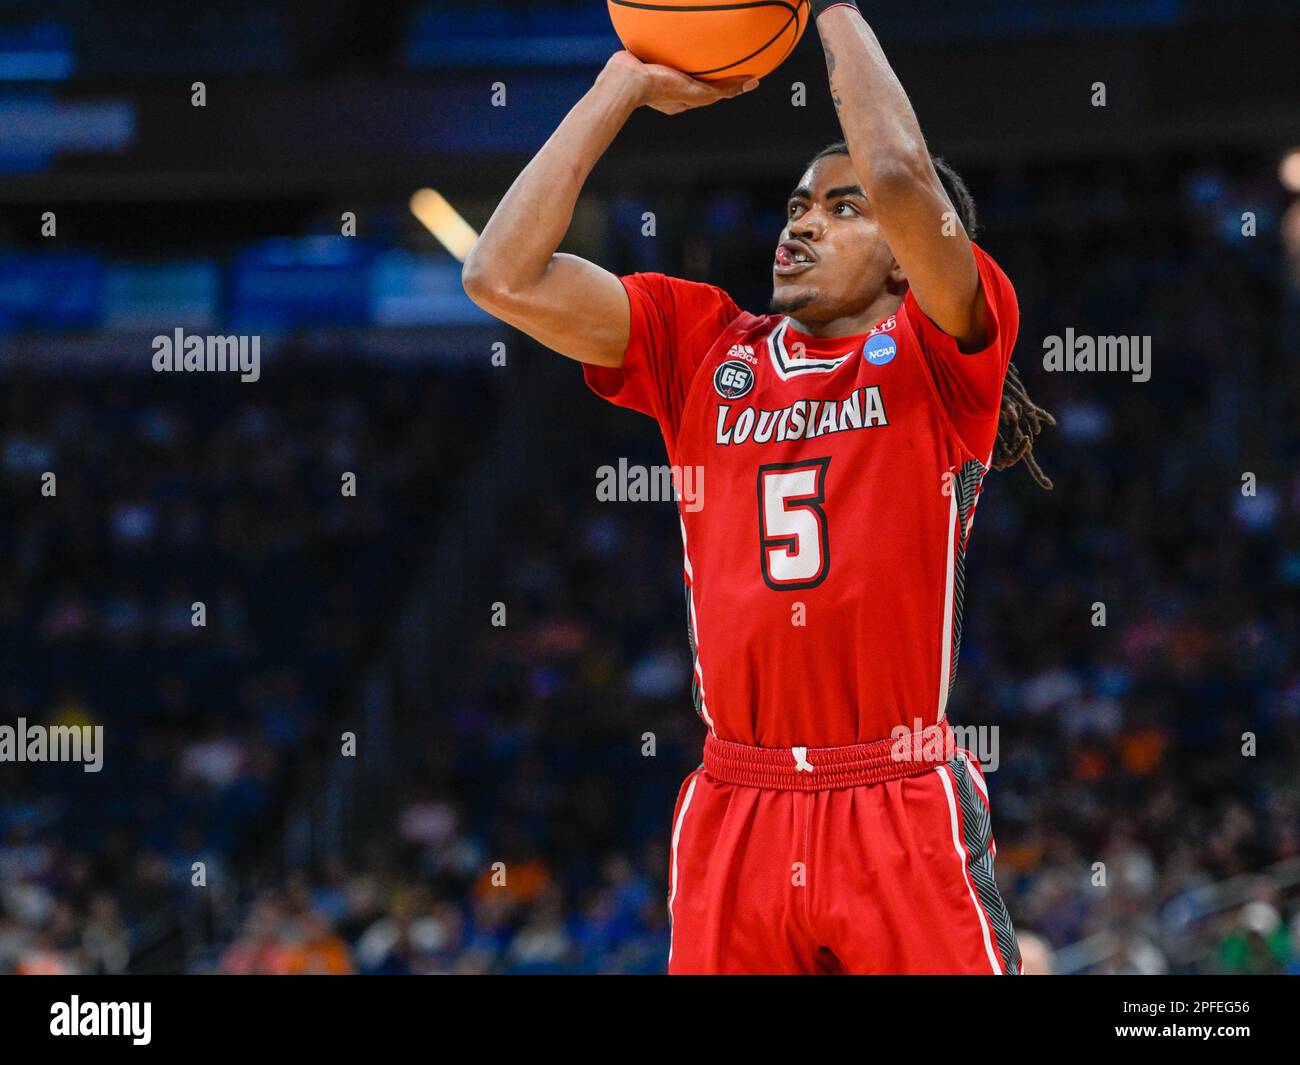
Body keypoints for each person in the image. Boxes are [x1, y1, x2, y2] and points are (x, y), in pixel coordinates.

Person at [462, 0, 1054, 974]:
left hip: (894, 795)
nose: (802, 225)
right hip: (736, 797)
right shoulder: (701, 344)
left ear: (909, 263)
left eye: (839, 206)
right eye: (795, 206)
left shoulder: (938, 359)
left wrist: (831, 10)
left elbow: (903, 174)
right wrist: (621, 86)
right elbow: (498, 274)